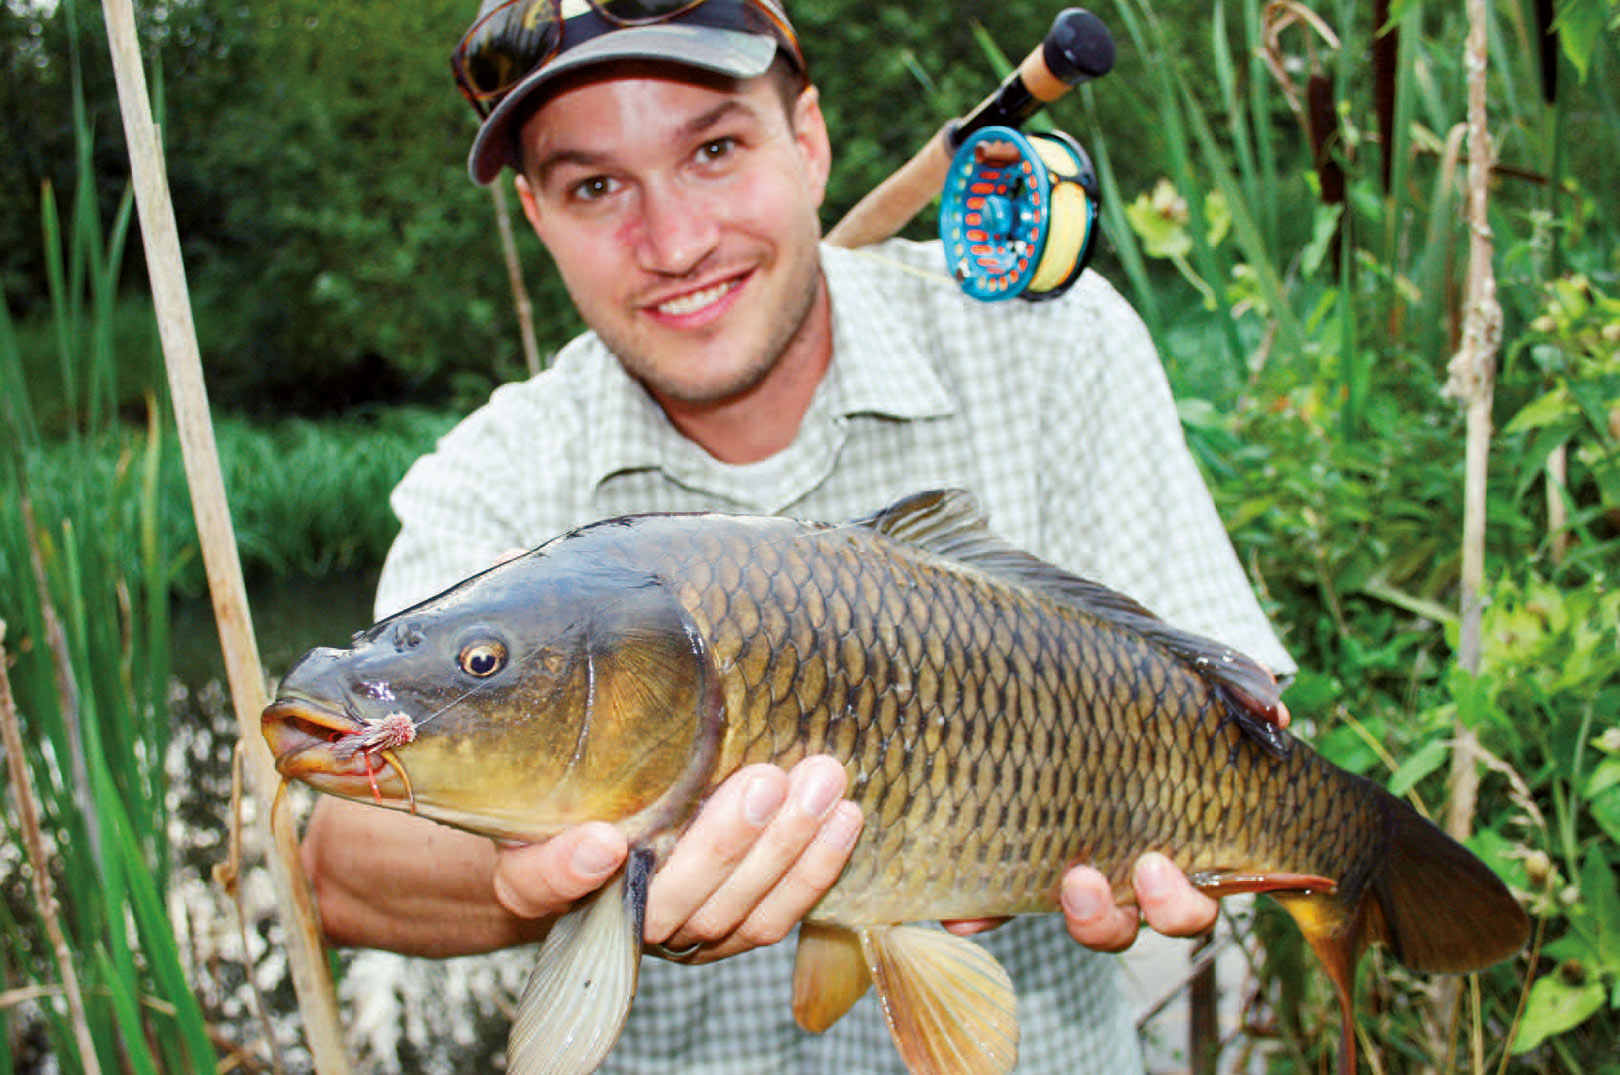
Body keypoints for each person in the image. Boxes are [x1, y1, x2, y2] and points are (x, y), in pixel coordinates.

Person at [300, 0, 1296, 1069]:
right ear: (538, 217)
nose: (675, 242)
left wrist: (1183, 820)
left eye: (716, 149)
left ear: (809, 141)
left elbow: (1250, 728)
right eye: (595, 186)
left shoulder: (1054, 341)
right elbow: (342, 865)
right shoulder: (493, 475)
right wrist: (523, 877)